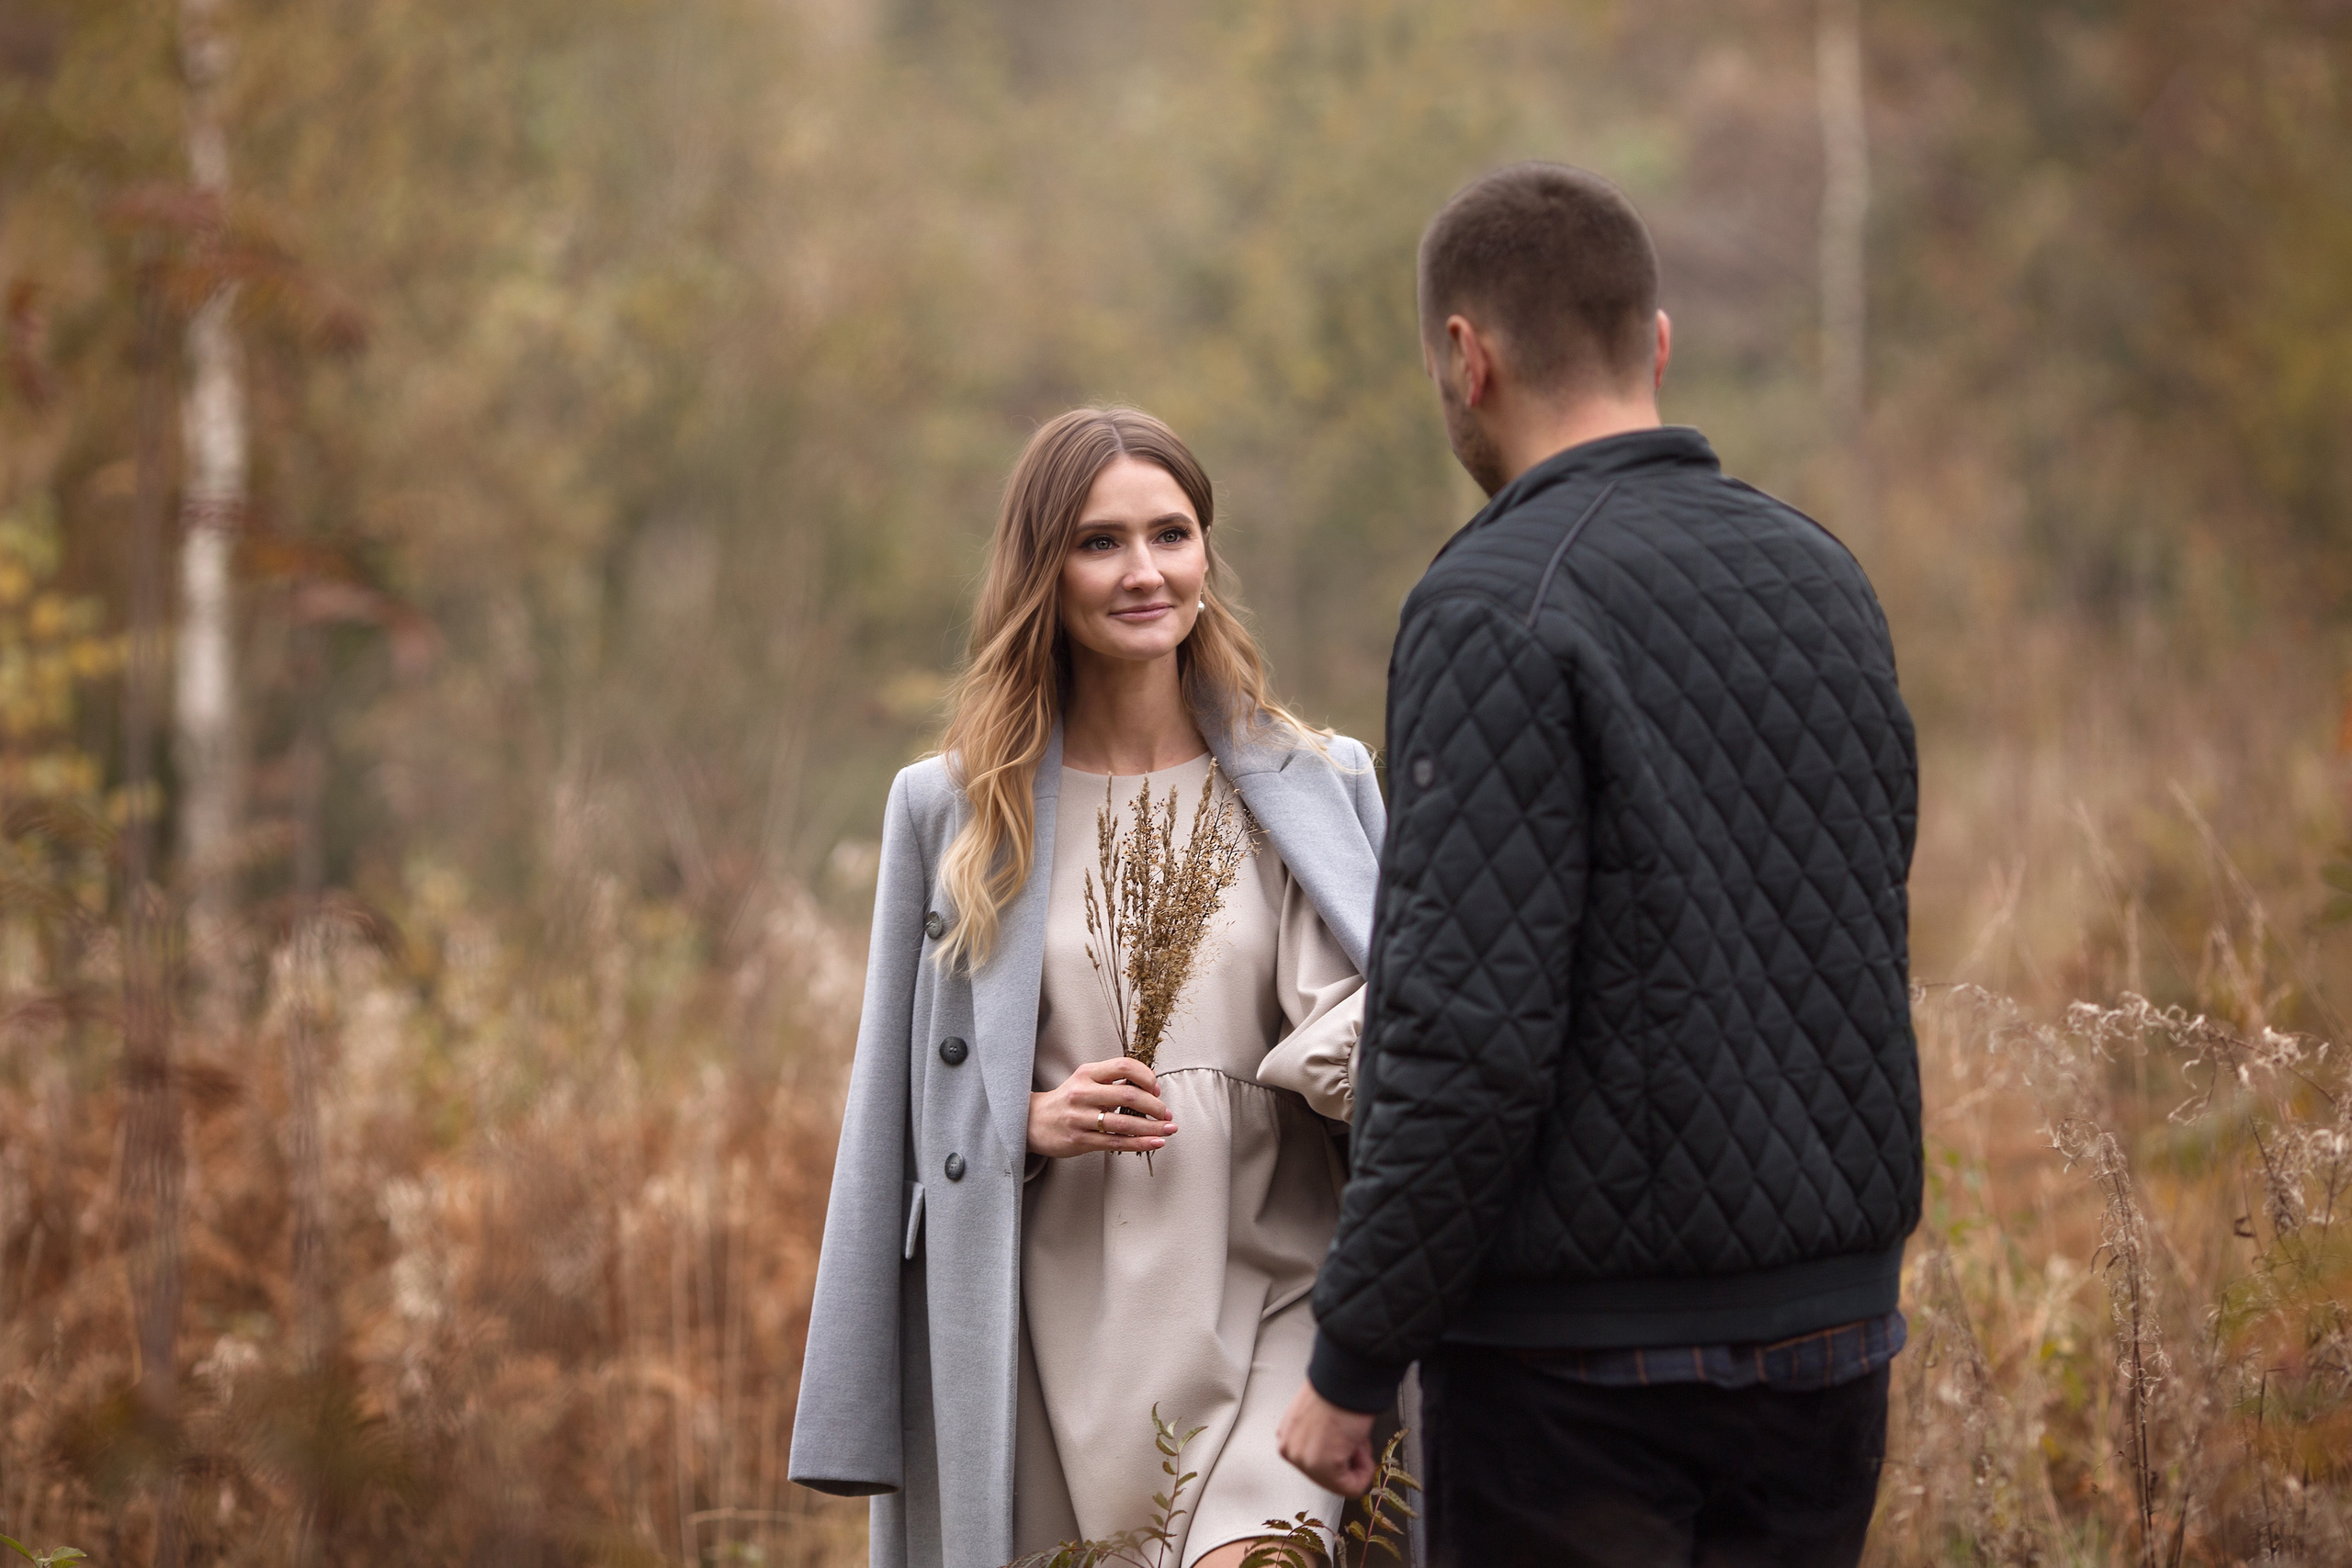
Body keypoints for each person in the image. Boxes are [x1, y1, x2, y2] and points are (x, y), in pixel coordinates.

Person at [1277, 164, 1921, 1567]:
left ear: (1468, 355)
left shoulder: (1494, 602)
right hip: (1831, 1343)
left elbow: (1467, 1032)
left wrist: (1353, 1352)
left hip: (1583, 1378)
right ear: (1661, 341)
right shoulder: (1825, 575)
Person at [791, 407, 1387, 1568]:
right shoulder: (953, 808)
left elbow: (1388, 1024)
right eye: (1100, 541)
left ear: (1207, 554)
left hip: (1277, 1287)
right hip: (1045, 1325)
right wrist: (1022, 1119)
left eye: (1171, 534)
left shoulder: (1315, 781)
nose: (1144, 571)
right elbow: (891, 1107)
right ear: (1041, 570)